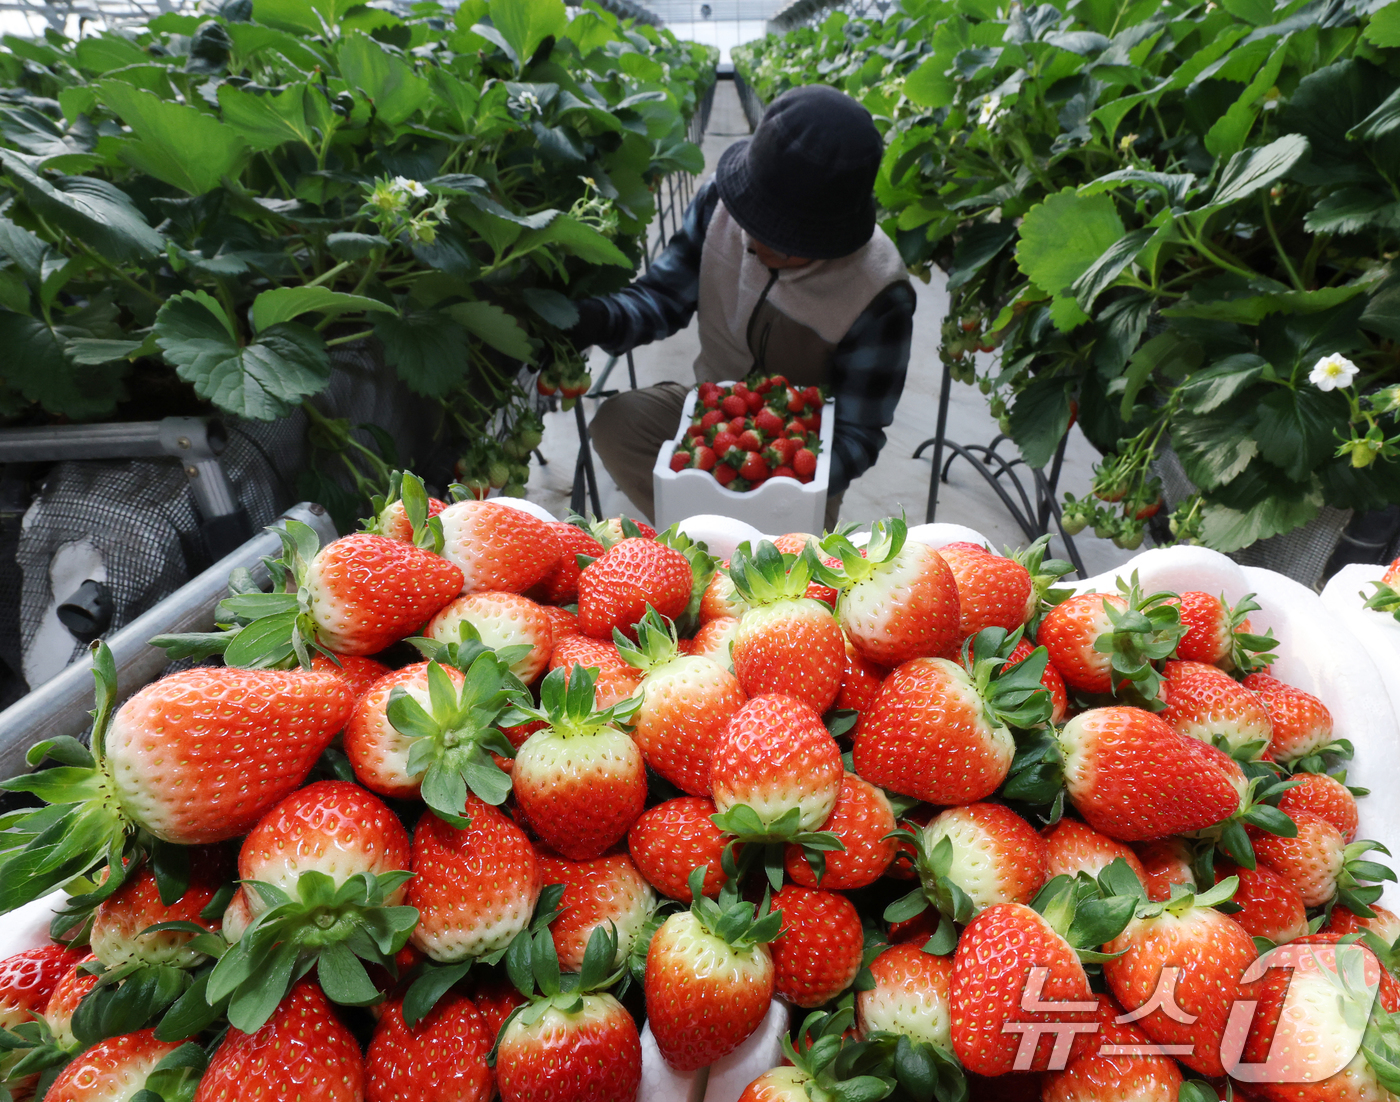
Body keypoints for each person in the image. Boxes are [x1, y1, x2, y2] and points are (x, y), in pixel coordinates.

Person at [568, 84, 916, 529]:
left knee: (788, 551)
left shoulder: (879, 291)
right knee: (618, 424)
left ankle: (739, 536)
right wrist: (597, 319)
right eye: (754, 220)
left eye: (784, 239)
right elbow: (663, 297)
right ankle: (695, 534)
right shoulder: (719, 203)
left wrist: (778, 482)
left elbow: (858, 433)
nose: (756, 241)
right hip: (712, 412)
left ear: (832, 238)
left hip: (803, 446)